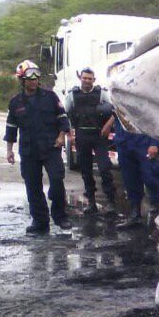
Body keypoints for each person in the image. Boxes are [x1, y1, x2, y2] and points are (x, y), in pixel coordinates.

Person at [5, 60, 71, 234]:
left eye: (36, 77)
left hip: (51, 147)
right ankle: (40, 222)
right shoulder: (15, 102)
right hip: (29, 151)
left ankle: (60, 216)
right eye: (29, 78)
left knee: (57, 181)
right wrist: (9, 150)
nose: (33, 81)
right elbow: (11, 127)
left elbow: (63, 119)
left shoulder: (50, 97)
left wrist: (61, 136)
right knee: (33, 187)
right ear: (22, 80)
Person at [64, 67, 116, 214]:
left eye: (90, 78)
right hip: (82, 135)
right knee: (86, 170)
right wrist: (70, 134)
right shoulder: (72, 96)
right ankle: (91, 202)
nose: (87, 81)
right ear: (80, 78)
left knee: (105, 168)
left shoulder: (102, 94)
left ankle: (111, 201)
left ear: (94, 80)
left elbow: (116, 110)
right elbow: (65, 115)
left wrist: (107, 126)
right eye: (84, 78)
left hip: (99, 135)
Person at [102, 115, 159, 228]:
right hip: (124, 141)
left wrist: (154, 143)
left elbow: (154, 115)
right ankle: (135, 214)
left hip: (144, 140)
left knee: (151, 178)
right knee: (130, 179)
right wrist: (109, 124)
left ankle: (157, 214)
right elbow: (117, 110)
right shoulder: (118, 97)